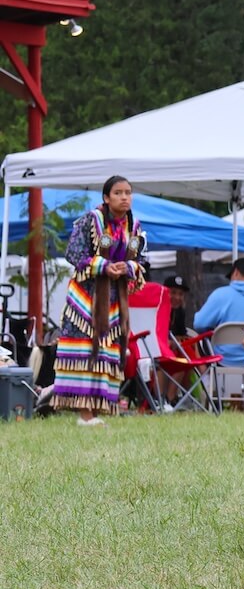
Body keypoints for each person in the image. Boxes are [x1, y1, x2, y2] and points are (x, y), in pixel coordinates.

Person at [51, 175, 147, 426]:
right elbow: (73, 253)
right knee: (85, 350)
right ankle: (84, 413)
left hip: (115, 301)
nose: (124, 197)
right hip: (87, 299)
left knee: (106, 351)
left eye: (128, 192)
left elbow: (142, 261)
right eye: (118, 193)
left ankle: (94, 410)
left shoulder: (133, 227)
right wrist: (103, 265)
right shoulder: (90, 221)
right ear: (106, 197)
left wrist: (127, 267)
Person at [193, 258, 244, 366]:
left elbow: (199, 324)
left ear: (236, 272)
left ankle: (206, 380)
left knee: (198, 340)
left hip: (224, 359)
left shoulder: (220, 294)